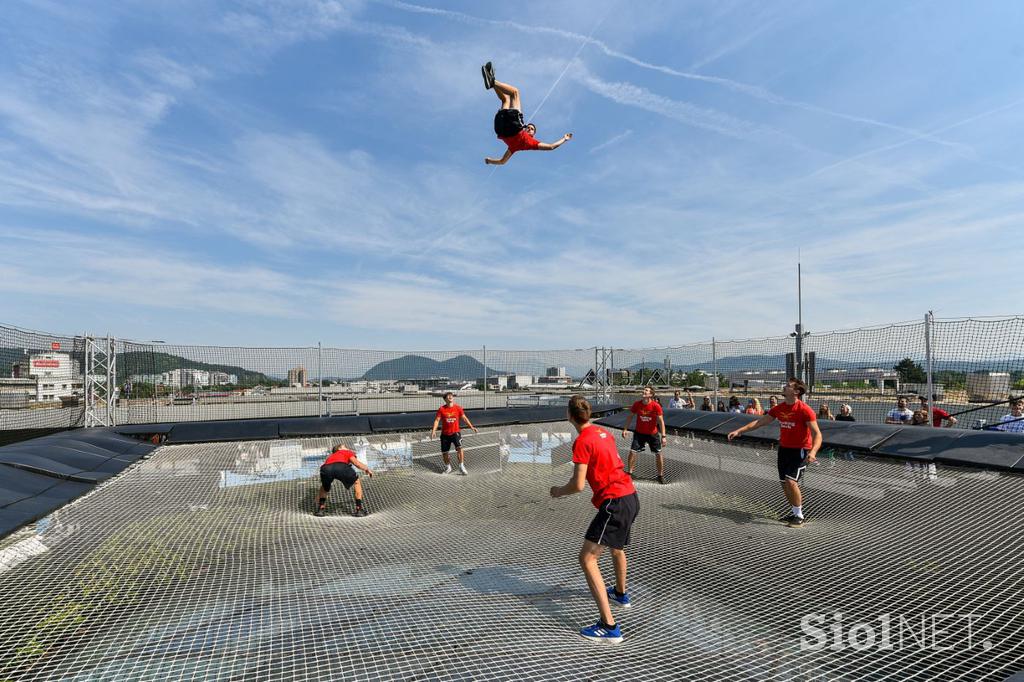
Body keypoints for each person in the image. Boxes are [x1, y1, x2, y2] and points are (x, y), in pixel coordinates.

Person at [550, 394, 638, 643]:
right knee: (616, 547)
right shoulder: (602, 433)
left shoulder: (582, 442)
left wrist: (558, 491)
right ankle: (620, 594)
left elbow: (578, 485)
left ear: (569, 416)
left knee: (587, 559)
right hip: (630, 496)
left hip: (614, 503)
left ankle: (609, 627)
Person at [727, 378, 822, 527]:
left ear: (796, 391)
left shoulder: (805, 410)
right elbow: (759, 422)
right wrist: (739, 431)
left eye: (788, 386)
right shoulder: (779, 408)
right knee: (785, 484)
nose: (784, 387)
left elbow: (817, 434)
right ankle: (793, 513)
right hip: (784, 449)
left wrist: (813, 452)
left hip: (801, 450)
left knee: (791, 481)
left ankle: (799, 516)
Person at [481, 62, 573, 166]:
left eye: (531, 129)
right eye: (529, 127)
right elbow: (502, 162)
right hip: (500, 128)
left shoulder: (531, 143)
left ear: (533, 135)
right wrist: (489, 161)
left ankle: (492, 82)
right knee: (505, 100)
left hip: (509, 127)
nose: (529, 128)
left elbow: (551, 147)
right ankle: (492, 82)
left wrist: (564, 139)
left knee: (515, 92)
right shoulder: (514, 147)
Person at [622, 387, 668, 483]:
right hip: (639, 433)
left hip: (653, 434)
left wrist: (663, 436)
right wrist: (625, 429)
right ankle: (629, 473)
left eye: (646, 390)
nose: (644, 391)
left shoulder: (656, 406)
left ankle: (660, 475)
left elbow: (661, 422)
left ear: (651, 394)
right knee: (632, 451)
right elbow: (630, 416)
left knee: (659, 454)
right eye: (644, 390)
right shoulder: (637, 404)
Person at [315, 443, 374, 517]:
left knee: (324, 486)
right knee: (356, 482)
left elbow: (331, 466)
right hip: (341, 466)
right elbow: (356, 463)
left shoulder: (330, 456)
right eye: (345, 446)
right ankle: (359, 509)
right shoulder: (346, 452)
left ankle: (321, 509)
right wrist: (367, 469)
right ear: (339, 449)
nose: (347, 447)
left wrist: (317, 497)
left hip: (326, 468)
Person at [430, 392, 479, 474]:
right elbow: (437, 420)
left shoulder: (458, 408)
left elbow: (464, 418)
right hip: (445, 434)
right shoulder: (441, 409)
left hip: (455, 433)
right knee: (445, 452)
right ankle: (448, 467)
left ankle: (461, 466)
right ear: (445, 399)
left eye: (451, 396)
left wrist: (472, 427)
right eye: (448, 396)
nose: (450, 397)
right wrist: (434, 431)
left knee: (460, 448)